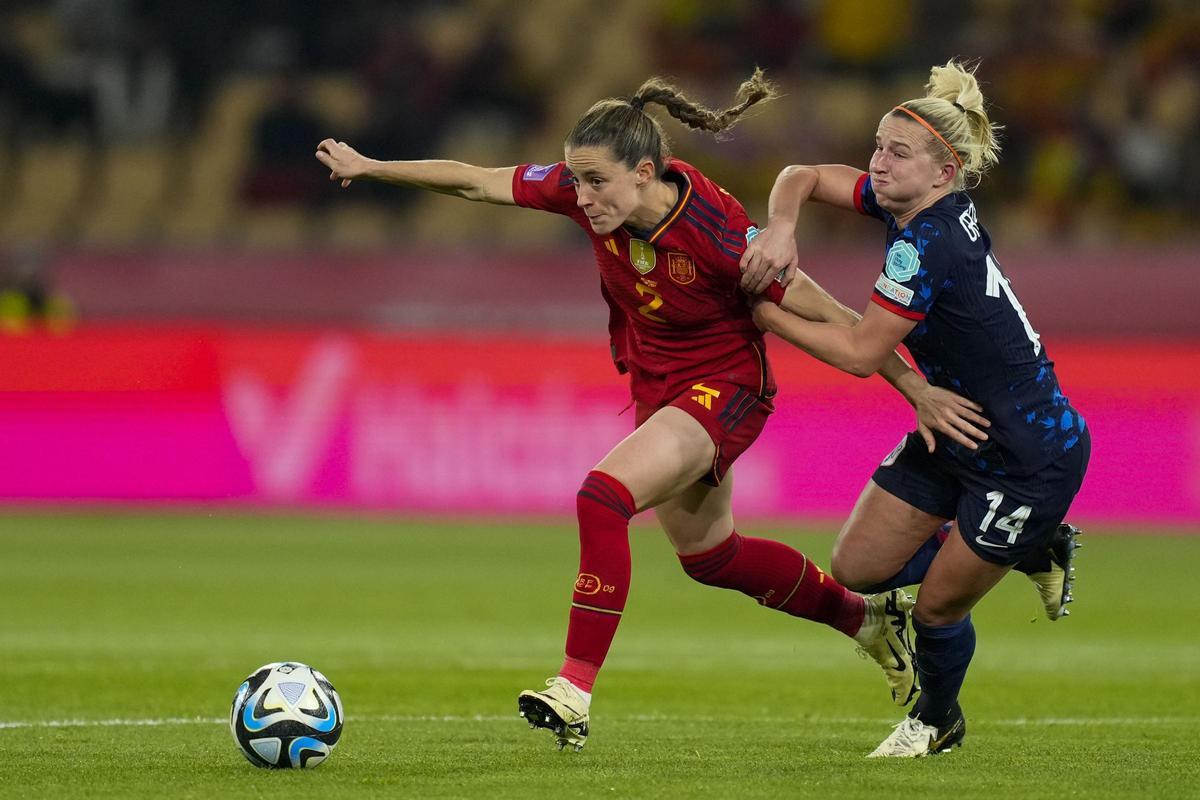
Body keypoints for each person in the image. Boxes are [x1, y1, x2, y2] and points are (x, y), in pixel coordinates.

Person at [315, 70, 986, 753]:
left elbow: (828, 310)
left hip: (726, 389)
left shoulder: (716, 231)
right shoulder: (587, 190)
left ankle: (573, 688)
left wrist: (915, 388)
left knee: (602, 496)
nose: (581, 198)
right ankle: (865, 621)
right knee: (711, 557)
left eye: (595, 184)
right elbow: (474, 180)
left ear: (643, 173)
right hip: (658, 387)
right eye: (575, 183)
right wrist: (372, 167)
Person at [739, 60, 1090, 757]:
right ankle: (1030, 547)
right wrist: (780, 228)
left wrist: (764, 310)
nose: (877, 162)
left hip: (1027, 457)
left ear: (943, 171)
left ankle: (936, 719)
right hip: (954, 425)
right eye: (876, 145)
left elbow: (862, 353)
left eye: (896, 152)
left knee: (934, 609)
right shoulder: (912, 203)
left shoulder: (929, 243)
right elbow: (802, 174)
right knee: (857, 568)